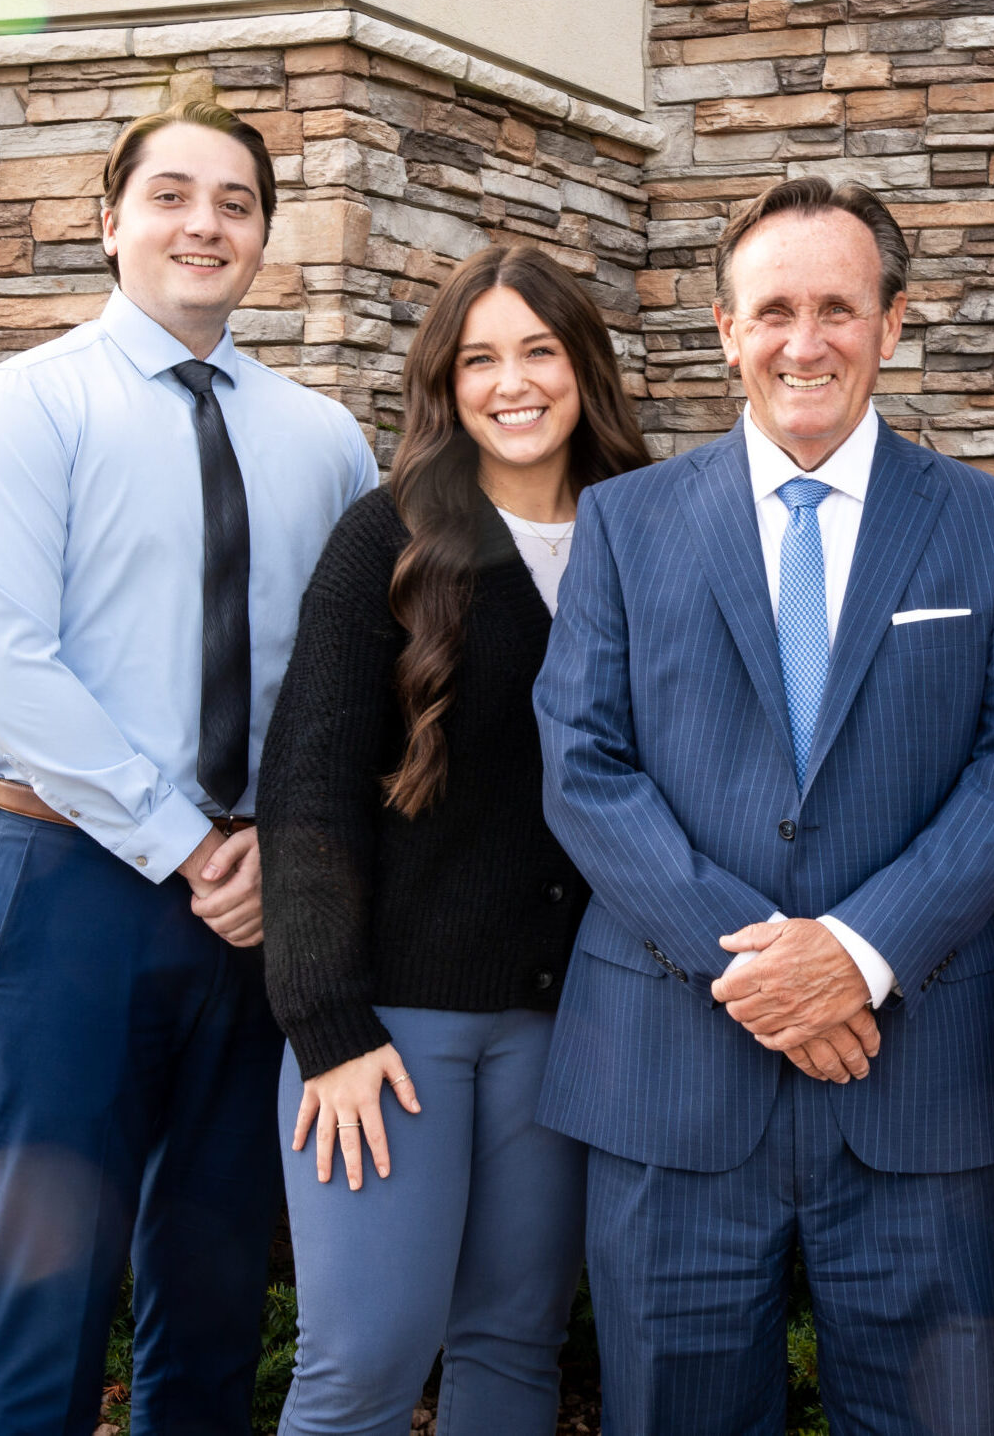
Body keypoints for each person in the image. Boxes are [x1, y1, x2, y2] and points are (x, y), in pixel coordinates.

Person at [532, 176, 994, 1435]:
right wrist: (770, 971)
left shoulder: (991, 530)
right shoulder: (623, 525)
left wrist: (857, 954)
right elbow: (583, 762)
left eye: (838, 307)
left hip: (915, 1079)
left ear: (891, 325)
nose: (804, 340)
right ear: (725, 331)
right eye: (772, 309)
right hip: (672, 1074)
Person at [0, 100, 379, 1436]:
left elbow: (343, 681)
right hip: (75, 888)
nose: (204, 222)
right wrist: (191, 842)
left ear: (263, 238)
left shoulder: (324, 439)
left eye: (236, 201)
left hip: (257, 907)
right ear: (110, 220)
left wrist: (285, 862)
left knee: (219, 1275)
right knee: (43, 1278)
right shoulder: (23, 409)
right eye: (171, 194)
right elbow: (4, 668)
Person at [256, 245, 649, 1434]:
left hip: (570, 1026)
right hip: (392, 1034)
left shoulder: (652, 529)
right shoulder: (385, 538)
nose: (511, 382)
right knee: (364, 1363)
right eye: (478, 358)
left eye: (538, 350)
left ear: (585, 364)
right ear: (444, 382)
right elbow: (308, 793)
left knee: (514, 1350)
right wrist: (328, 1026)